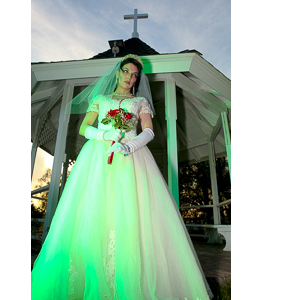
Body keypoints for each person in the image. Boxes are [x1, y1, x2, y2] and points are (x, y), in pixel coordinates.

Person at [31, 54, 213, 300]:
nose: (130, 77)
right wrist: (105, 135)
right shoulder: (100, 99)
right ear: (117, 73)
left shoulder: (140, 102)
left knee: (131, 212)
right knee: (95, 211)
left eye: (135, 75)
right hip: (98, 157)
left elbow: (148, 130)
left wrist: (131, 145)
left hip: (131, 158)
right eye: (126, 72)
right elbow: (85, 128)